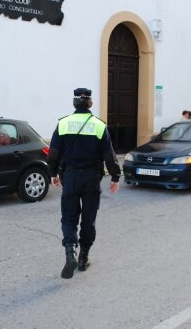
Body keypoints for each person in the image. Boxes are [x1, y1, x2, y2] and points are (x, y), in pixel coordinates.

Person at [47, 87, 121, 279]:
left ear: (74, 103)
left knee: (69, 217)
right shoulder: (98, 125)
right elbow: (109, 155)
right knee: (88, 219)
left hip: (70, 177)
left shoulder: (63, 124)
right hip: (91, 178)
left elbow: (53, 152)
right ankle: (83, 258)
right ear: (90, 104)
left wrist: (53, 173)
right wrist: (115, 176)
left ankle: (70, 251)